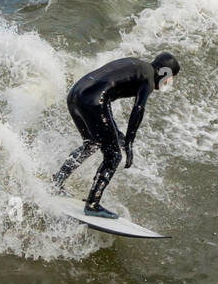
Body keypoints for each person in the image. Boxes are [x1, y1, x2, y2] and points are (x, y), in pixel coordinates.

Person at [51, 52, 181, 217]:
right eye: (171, 77)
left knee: (91, 144)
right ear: (165, 72)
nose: (169, 82)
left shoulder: (137, 65)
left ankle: (57, 181)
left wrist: (120, 136)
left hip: (76, 94)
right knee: (114, 156)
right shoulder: (148, 78)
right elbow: (138, 109)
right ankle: (93, 204)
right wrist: (130, 143)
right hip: (93, 100)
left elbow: (105, 92)